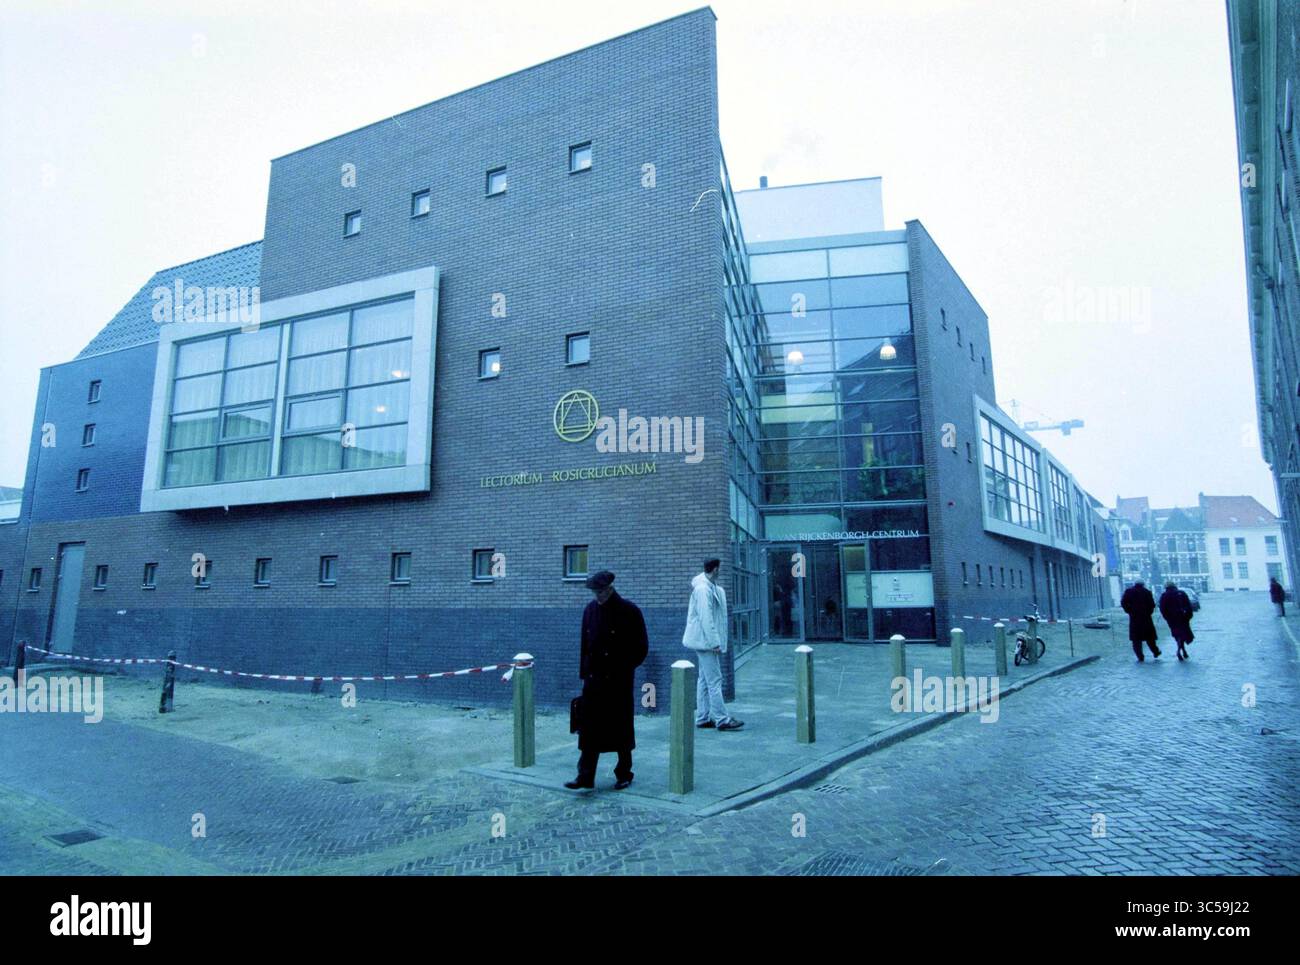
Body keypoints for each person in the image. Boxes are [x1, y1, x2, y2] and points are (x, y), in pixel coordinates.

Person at [565, 570, 649, 791]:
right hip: (593, 682)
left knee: (621, 729)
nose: (598, 596)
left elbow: (641, 648)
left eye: (601, 591)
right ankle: (585, 776)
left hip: (617, 682)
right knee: (589, 729)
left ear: (610, 588)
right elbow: (585, 645)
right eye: (595, 592)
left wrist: (622, 669)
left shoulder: (629, 611)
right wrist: (584, 674)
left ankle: (624, 773)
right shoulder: (590, 610)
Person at [682, 558, 744, 732]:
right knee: (715, 680)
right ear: (715, 569)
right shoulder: (703, 589)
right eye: (719, 569)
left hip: (703, 641)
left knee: (704, 679)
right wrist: (714, 643)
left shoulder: (708, 586)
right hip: (705, 642)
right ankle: (722, 719)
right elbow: (706, 618)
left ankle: (702, 717)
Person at [1120, 579, 1161, 662]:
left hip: (1134, 618)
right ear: (1143, 584)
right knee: (1150, 638)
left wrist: (1129, 611)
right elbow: (1152, 605)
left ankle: (1140, 656)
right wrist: (1149, 612)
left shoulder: (1129, 591)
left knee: (1136, 639)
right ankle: (1155, 651)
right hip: (1146, 618)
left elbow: (1123, 602)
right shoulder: (1147, 592)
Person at [1158, 581, 1195, 661]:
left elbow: (1162, 608)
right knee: (1183, 633)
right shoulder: (1181, 593)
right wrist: (1188, 616)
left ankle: (1181, 650)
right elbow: (1188, 605)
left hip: (1172, 619)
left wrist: (1167, 617)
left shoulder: (1164, 596)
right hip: (1183, 617)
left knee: (1177, 634)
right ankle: (1181, 650)